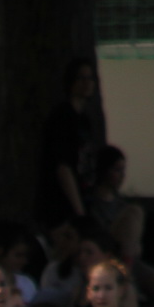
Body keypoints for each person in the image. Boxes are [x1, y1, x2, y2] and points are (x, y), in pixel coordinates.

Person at [87, 146, 154, 307]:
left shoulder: (121, 204)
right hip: (106, 252)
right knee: (135, 212)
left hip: (127, 257)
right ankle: (124, 276)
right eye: (117, 170)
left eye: (123, 170)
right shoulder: (91, 203)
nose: (122, 176)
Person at [36, 57, 101, 228]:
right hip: (61, 206)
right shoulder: (62, 117)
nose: (87, 83)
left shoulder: (85, 120)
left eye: (90, 78)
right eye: (82, 78)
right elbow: (63, 167)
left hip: (83, 198)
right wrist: (79, 212)